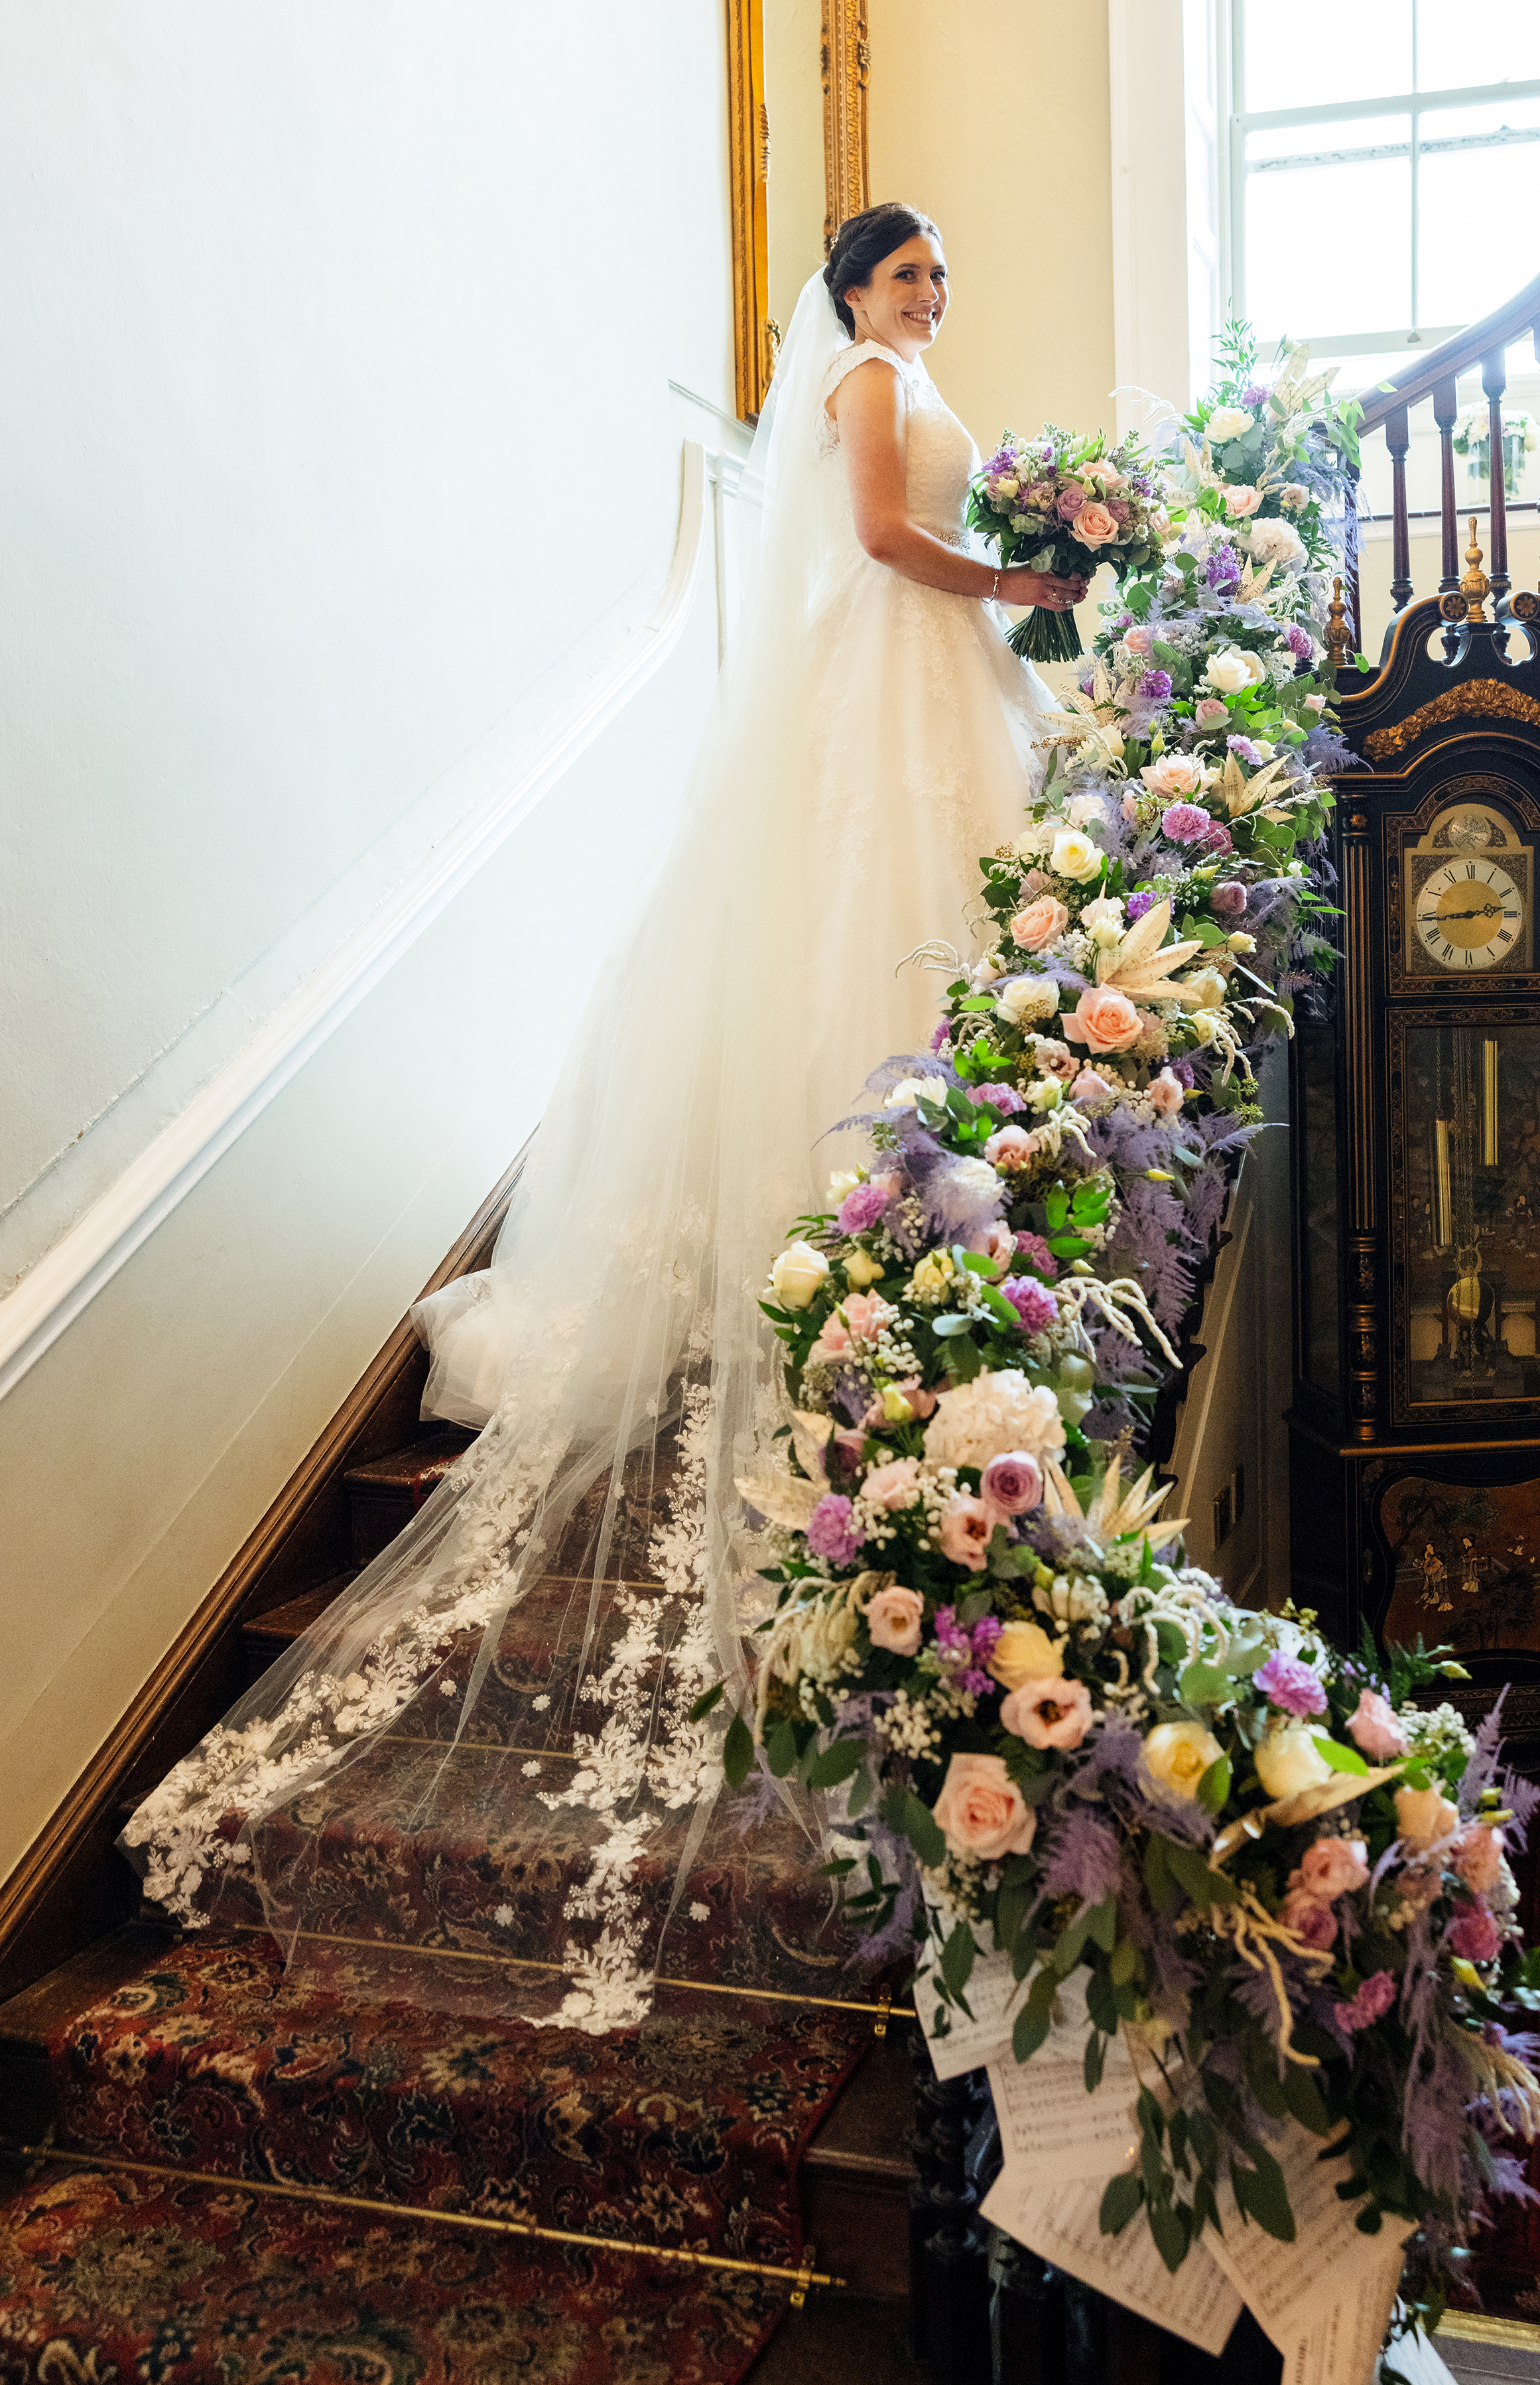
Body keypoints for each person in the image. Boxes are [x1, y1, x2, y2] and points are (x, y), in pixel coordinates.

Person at [120, 205, 1084, 2031]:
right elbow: (884, 536)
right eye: (905, 277)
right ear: (852, 295)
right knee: (883, 924)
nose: (929, 300)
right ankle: (854, 1218)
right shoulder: (873, 386)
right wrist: (1021, 587)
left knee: (936, 927)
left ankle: (910, 1190)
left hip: (931, 678)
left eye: (944, 277)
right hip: (903, 667)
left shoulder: (918, 372)